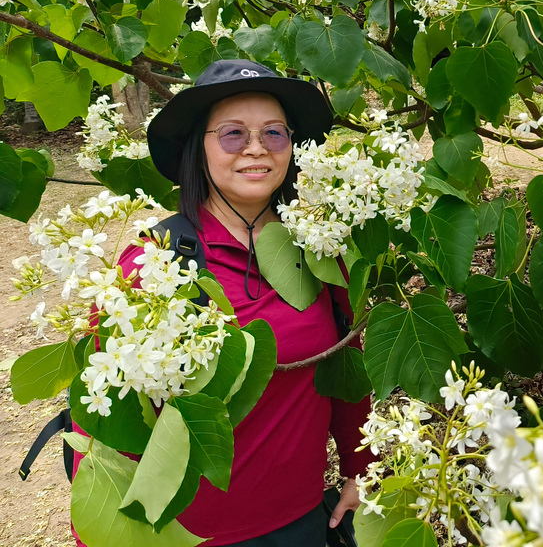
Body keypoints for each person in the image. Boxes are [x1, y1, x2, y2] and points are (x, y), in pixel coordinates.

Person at [73, 59, 371, 546]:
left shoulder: (319, 249)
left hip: (302, 522)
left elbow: (344, 367)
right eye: (233, 134)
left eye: (274, 133)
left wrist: (362, 469)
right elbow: (107, 423)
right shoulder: (153, 266)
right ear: (200, 148)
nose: (256, 148)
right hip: (190, 533)